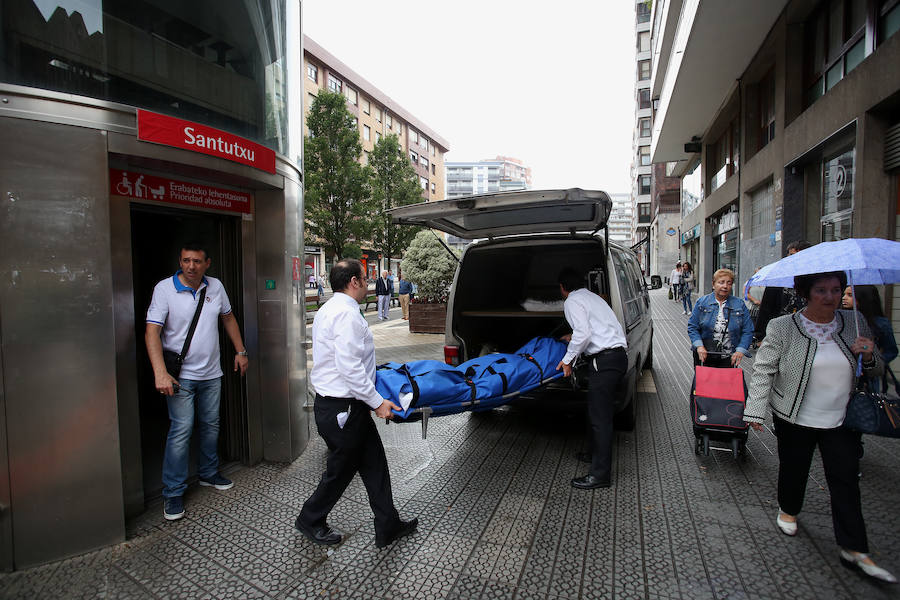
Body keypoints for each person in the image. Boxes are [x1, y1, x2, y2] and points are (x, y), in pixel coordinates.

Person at [743, 271, 895, 583]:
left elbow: (877, 367)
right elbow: (764, 369)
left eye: (836, 290)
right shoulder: (783, 327)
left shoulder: (855, 322)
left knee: (846, 481)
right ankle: (788, 508)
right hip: (795, 416)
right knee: (794, 469)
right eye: (821, 290)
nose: (830, 296)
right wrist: (755, 410)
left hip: (842, 419)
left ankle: (854, 548)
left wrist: (868, 354)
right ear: (805, 293)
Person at [296, 259, 417, 547]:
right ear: (354, 282)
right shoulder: (346, 315)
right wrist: (378, 403)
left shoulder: (330, 309)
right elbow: (349, 368)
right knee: (341, 470)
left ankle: (387, 524)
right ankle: (310, 519)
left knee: (374, 463)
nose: (367, 283)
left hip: (345, 406)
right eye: (364, 278)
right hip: (343, 408)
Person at [145, 242, 249, 521]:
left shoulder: (215, 287)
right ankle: (173, 492)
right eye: (186, 261)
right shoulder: (164, 289)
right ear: (180, 261)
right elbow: (152, 332)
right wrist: (159, 372)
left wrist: (240, 351)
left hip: (212, 373)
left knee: (211, 424)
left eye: (196, 261)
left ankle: (208, 473)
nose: (190, 266)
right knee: (181, 431)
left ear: (207, 263)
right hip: (180, 377)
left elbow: (228, 318)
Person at [555, 267, 628, 490]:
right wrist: (572, 336)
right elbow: (593, 329)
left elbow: (585, 333)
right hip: (617, 357)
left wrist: (567, 360)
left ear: (563, 288)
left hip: (604, 362)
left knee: (600, 419)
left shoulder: (571, 301)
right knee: (596, 411)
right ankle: (591, 454)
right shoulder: (593, 298)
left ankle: (600, 475)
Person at [687, 268, 753, 366]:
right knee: (704, 381)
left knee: (727, 381)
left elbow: (748, 330)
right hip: (704, 355)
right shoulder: (702, 302)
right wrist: (699, 346)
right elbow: (692, 327)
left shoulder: (739, 304)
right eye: (721, 282)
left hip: (729, 357)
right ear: (713, 284)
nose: (725, 286)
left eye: (729, 283)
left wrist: (740, 350)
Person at [754, 240, 813, 342]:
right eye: (791, 255)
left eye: (800, 256)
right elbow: (766, 307)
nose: (794, 259)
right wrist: (760, 335)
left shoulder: (815, 279)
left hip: (808, 332)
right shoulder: (778, 278)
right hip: (781, 333)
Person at [842, 285, 898, 381]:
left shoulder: (880, 323)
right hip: (843, 374)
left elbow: (891, 351)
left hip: (868, 378)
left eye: (850, 295)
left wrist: (874, 362)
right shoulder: (840, 319)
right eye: (844, 294)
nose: (844, 298)